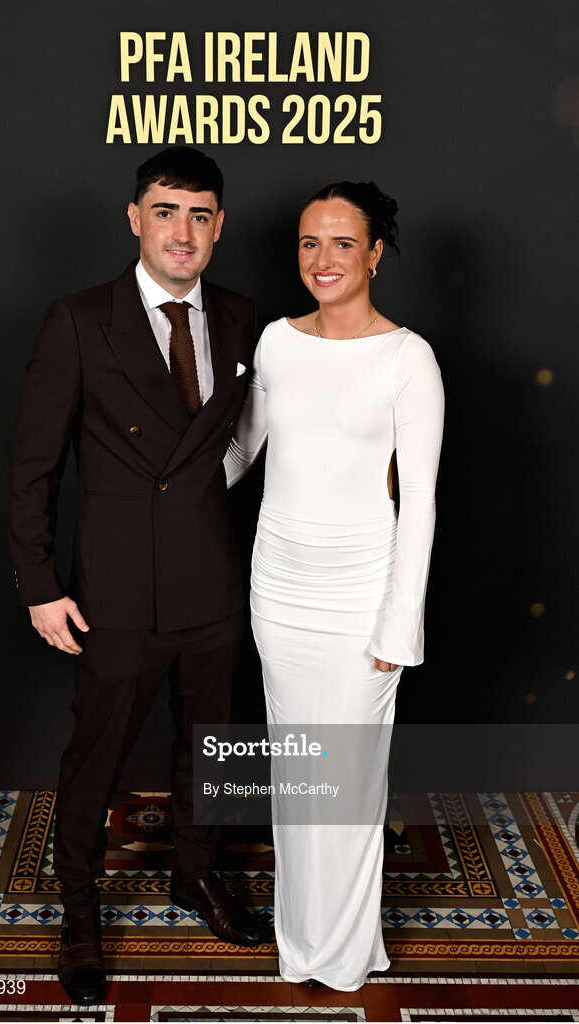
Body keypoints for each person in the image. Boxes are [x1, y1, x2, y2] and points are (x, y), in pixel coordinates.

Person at [8, 146, 263, 1007]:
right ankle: (78, 911)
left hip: (212, 584)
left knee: (211, 751)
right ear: (134, 219)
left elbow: (240, 448)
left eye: (198, 215)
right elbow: (33, 467)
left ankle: (195, 876)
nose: (181, 231)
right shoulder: (78, 319)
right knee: (97, 762)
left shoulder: (241, 321)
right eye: (165, 211)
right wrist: (39, 583)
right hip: (113, 593)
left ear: (218, 227)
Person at [224, 181, 444, 990]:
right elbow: (242, 451)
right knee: (299, 777)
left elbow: (418, 499)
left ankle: (345, 959)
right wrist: (156, 487)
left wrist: (398, 626)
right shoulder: (277, 342)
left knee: (347, 788)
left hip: (361, 598)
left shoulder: (407, 358)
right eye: (310, 243)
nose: (323, 260)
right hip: (277, 591)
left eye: (342, 243)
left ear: (374, 253)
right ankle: (303, 949)